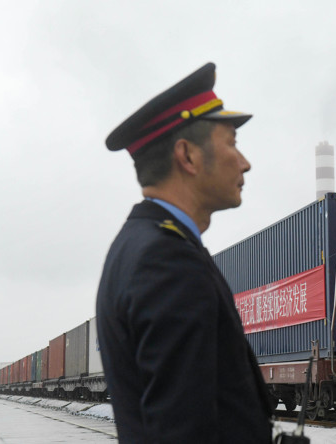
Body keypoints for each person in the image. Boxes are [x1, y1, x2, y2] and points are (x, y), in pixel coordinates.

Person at [97, 62, 273, 443]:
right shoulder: (167, 262)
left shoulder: (141, 246)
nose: (245, 162)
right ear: (188, 156)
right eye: (232, 143)